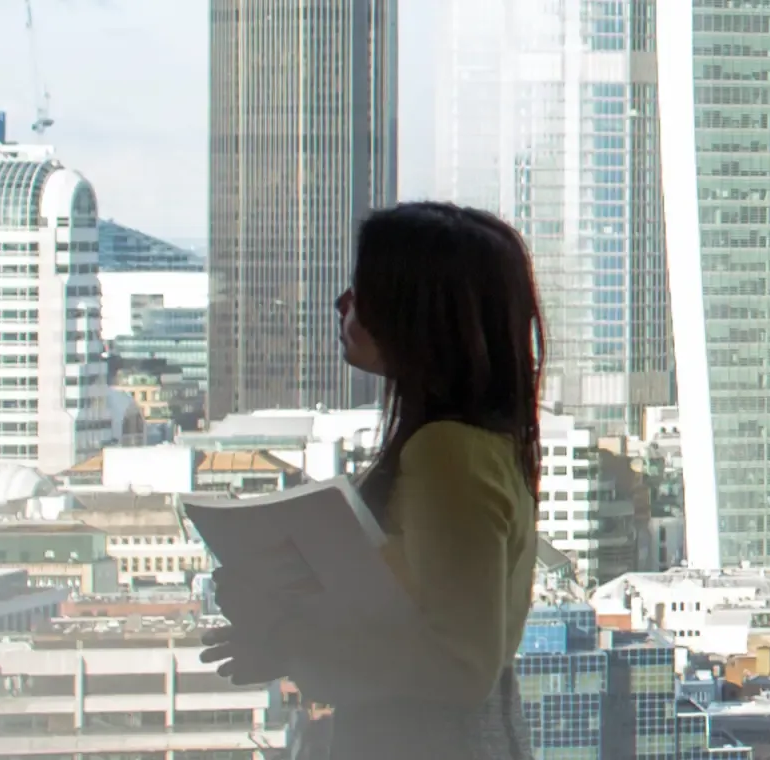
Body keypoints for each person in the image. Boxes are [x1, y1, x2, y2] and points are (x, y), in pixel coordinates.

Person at [201, 202, 548, 759]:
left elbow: (459, 668)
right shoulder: (482, 442)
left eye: (364, 290)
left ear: (416, 313)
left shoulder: (447, 451)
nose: (343, 303)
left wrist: (288, 639)